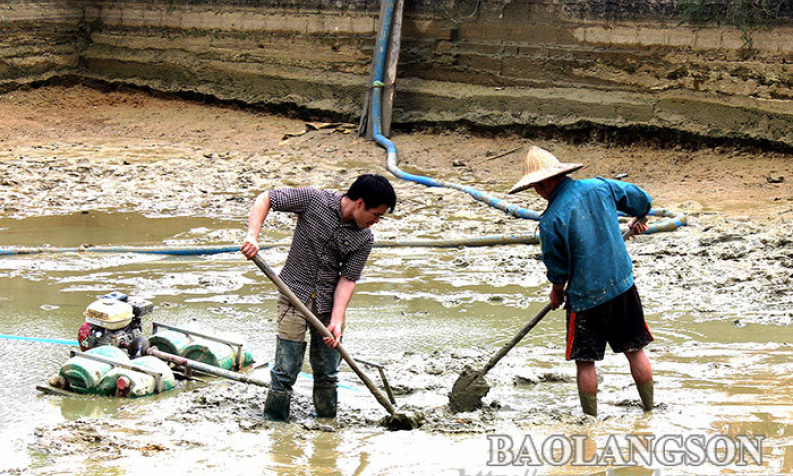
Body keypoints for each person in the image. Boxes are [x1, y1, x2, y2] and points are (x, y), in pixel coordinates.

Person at [507, 146, 654, 417]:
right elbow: (640, 199)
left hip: (587, 297)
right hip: (622, 285)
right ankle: (649, 411)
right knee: (635, 350)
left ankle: (590, 423)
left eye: (537, 188)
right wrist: (640, 216)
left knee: (585, 362)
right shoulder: (600, 187)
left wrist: (556, 291)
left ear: (543, 184)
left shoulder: (551, 220)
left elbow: (557, 265)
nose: (538, 193)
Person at [240, 174, 397, 421]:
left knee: (327, 373)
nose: (376, 221)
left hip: (328, 304)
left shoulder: (364, 238)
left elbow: (348, 278)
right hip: (293, 296)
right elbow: (266, 198)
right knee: (285, 370)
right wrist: (252, 235)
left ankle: (326, 424)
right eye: (375, 214)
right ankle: (275, 425)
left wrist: (336, 319)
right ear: (359, 203)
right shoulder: (314, 200)